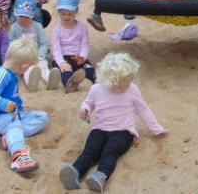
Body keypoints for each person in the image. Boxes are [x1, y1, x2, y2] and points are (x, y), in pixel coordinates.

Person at [58, 52, 166, 192]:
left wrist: (157, 129)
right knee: (89, 152)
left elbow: (144, 110)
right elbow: (88, 102)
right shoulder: (97, 89)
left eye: (125, 85)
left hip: (123, 131)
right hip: (100, 128)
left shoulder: (132, 89)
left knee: (110, 152)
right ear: (106, 80)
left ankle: (100, 176)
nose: (121, 89)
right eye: (117, 86)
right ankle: (75, 172)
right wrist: (84, 109)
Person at [0, 38, 49, 173]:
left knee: (42, 117)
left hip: (16, 115)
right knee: (13, 124)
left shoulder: (11, 74)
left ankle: (9, 137)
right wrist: (3, 103)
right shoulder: (2, 74)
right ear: (24, 66)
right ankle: (19, 156)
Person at [9, 0, 56, 92]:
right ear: (15, 13)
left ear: (33, 14)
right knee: (27, 70)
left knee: (43, 66)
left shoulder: (38, 26)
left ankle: (50, 80)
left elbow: (43, 43)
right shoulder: (13, 28)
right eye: (20, 15)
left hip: (36, 55)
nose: (23, 19)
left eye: (27, 16)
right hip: (22, 58)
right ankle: (30, 83)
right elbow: (10, 45)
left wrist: (39, 56)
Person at [52, 0, 96, 94]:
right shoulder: (56, 30)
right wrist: (62, 63)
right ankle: (71, 84)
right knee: (65, 71)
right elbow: (56, 49)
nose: (67, 17)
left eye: (70, 14)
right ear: (59, 12)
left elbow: (84, 45)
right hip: (63, 56)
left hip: (77, 56)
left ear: (76, 12)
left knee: (90, 69)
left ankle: (96, 81)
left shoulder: (82, 28)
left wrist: (82, 57)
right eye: (63, 14)